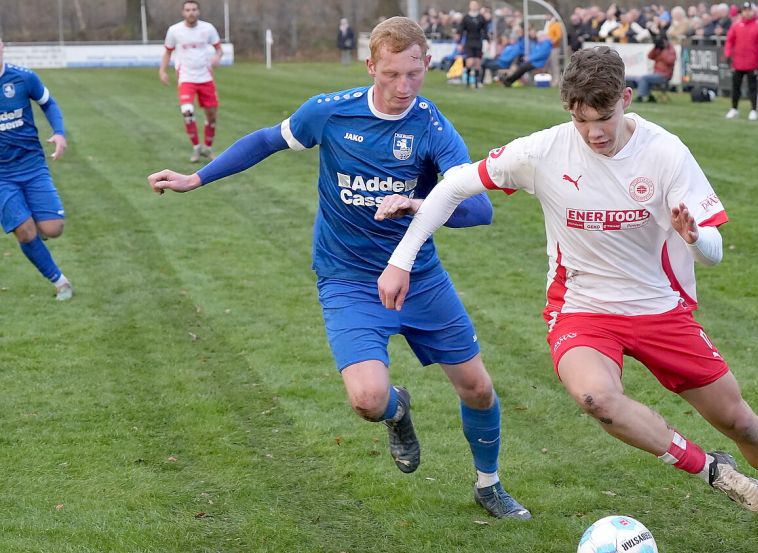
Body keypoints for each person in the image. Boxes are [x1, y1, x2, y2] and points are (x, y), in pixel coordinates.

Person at [376, 45, 758, 540]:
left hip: (660, 309)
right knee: (596, 397)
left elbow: (715, 253)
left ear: (625, 99)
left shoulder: (665, 152)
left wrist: (694, 238)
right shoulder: (545, 151)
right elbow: (453, 186)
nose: (594, 132)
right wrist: (400, 260)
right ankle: (711, 469)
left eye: (603, 117)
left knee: (740, 421)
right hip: (582, 308)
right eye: (582, 121)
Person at [146, 16, 530, 520]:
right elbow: (266, 141)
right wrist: (197, 178)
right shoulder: (330, 113)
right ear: (370, 65)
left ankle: (489, 484)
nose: (402, 87)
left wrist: (417, 204)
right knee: (368, 400)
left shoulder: (433, 128)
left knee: (478, 387)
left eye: (413, 74)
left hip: (419, 278)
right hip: (348, 281)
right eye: (390, 74)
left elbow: (481, 211)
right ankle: (399, 409)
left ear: (426, 64)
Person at [0, 39, 73, 301]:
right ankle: (60, 282)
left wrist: (59, 133)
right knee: (25, 231)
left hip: (32, 165)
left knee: (53, 229)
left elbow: (49, 103)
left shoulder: (22, 77)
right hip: (1, 176)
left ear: (3, 46)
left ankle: (32, 221)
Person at [159, 0, 223, 163]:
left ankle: (207, 148)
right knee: (187, 112)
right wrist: (162, 70)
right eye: (187, 10)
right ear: (183, 12)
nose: (191, 12)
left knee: (212, 115)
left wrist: (217, 57)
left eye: (194, 9)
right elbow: (167, 52)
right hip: (186, 78)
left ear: (198, 11)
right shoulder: (174, 30)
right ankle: (196, 148)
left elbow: (219, 49)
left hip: (206, 78)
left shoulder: (208, 29)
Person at [724, 2, 758, 120]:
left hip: (753, 62)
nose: (747, 12)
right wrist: (728, 55)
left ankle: (754, 110)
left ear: (753, 11)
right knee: (735, 87)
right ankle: (734, 108)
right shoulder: (736, 25)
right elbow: (729, 41)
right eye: (745, 10)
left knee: (753, 88)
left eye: (749, 10)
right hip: (738, 62)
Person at [629, 34, 677, 102]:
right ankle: (649, 97)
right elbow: (650, 56)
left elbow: (670, 61)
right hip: (657, 73)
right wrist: (655, 48)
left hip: (665, 75)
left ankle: (640, 96)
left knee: (644, 78)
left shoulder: (670, 49)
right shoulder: (659, 48)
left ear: (666, 41)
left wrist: (663, 51)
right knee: (640, 78)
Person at [458, 1, 489, 88]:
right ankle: (467, 81)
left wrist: (487, 41)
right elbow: (461, 30)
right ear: (470, 6)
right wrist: (460, 43)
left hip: (478, 41)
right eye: (472, 5)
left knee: (477, 63)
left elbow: (485, 30)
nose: (474, 6)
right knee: (470, 62)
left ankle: (476, 83)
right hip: (469, 41)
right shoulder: (466, 18)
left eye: (475, 5)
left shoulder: (481, 18)